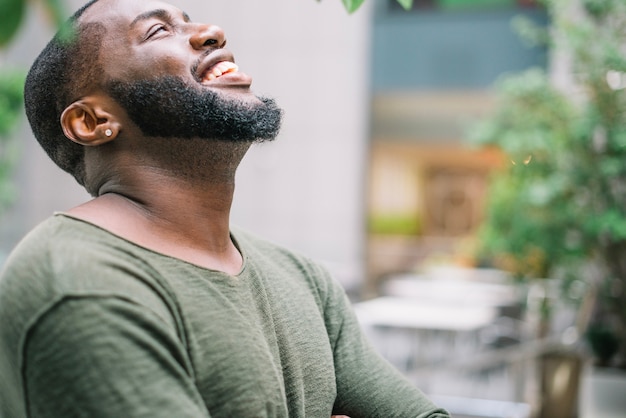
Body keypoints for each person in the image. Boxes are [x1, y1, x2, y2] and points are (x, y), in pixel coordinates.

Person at [0, 0, 451, 417]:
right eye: (158, 31)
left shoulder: (303, 278)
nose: (212, 32)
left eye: (191, 19)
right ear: (93, 121)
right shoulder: (76, 279)